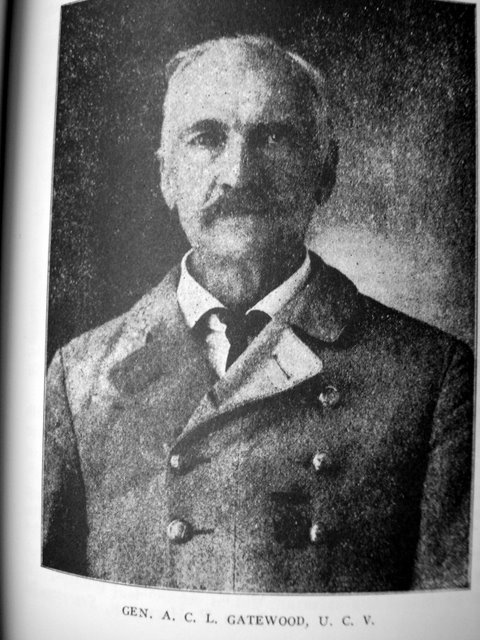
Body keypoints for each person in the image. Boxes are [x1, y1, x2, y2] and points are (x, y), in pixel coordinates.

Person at [43, 35, 473, 592]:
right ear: (166, 176)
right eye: (206, 138)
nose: (239, 174)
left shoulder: (432, 378)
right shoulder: (79, 378)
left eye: (274, 137)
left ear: (326, 172)